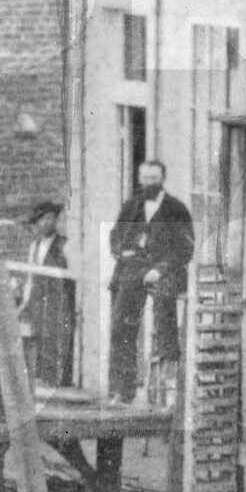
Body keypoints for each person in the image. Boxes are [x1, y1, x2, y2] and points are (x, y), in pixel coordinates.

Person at [106, 159, 194, 407]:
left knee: (164, 322)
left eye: (153, 179)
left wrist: (161, 269)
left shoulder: (176, 209)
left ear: (162, 179)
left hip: (164, 271)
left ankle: (163, 392)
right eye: (144, 178)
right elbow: (116, 235)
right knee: (122, 327)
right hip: (134, 268)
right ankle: (123, 391)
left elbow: (185, 249)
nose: (148, 184)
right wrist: (121, 252)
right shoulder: (132, 205)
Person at [21, 197, 73, 387]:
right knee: (38, 338)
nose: (46, 223)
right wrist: (26, 301)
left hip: (57, 300)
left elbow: (71, 275)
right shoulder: (34, 247)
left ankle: (58, 382)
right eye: (42, 220)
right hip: (37, 299)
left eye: (51, 218)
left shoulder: (64, 244)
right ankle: (41, 380)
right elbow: (30, 276)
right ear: (36, 223)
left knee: (56, 338)